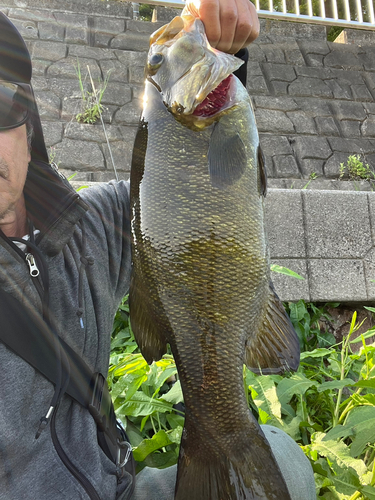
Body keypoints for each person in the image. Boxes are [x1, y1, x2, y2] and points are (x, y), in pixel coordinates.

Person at [0, 3, 315, 500]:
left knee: (289, 468)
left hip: (117, 488)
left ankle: (219, 436)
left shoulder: (87, 226)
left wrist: (220, 52)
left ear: (28, 122)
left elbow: (201, 183)